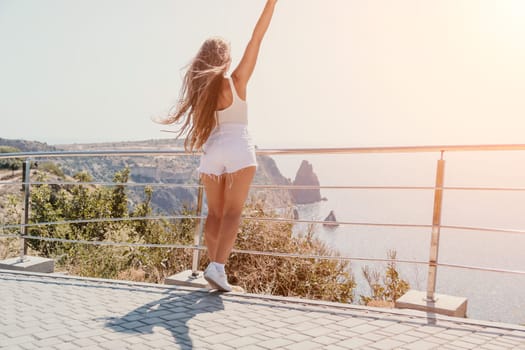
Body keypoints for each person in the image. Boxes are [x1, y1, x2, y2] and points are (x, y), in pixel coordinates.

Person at [158, 0, 278, 291]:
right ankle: (218, 267)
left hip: (212, 152)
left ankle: (214, 270)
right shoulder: (236, 80)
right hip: (238, 147)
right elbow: (257, 36)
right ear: (225, 57)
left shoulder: (203, 93)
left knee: (215, 213)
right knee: (234, 212)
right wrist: (271, 3)